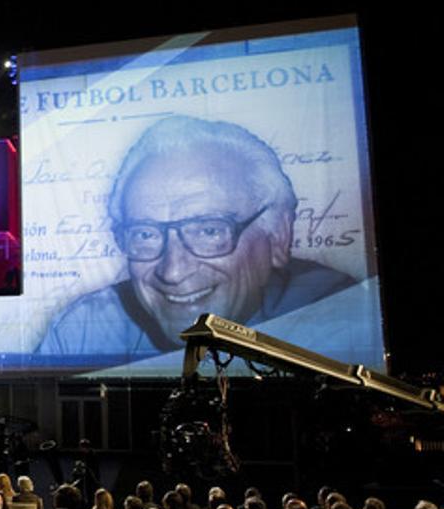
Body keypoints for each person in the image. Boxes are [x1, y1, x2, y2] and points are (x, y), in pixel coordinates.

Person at [40, 115, 357, 362]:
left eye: (209, 230)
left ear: (278, 235)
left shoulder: (346, 319)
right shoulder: (81, 331)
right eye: (146, 234)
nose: (173, 272)